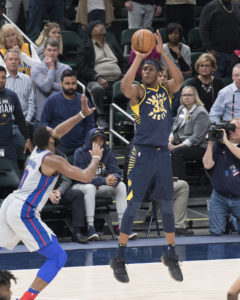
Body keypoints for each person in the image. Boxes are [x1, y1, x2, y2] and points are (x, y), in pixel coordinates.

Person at [0, 94, 103, 300]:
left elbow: (59, 130)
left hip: (12, 204)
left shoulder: (38, 150)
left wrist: (81, 114)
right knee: (58, 257)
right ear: (50, 140)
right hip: (24, 211)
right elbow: (85, 176)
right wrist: (95, 158)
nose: (55, 131)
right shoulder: (53, 160)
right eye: (51, 132)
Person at [109, 30, 184, 283]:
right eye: (145, 71)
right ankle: (119, 257)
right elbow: (123, 86)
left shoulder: (166, 92)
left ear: (158, 73)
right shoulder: (139, 92)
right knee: (133, 205)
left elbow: (181, 79)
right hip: (141, 153)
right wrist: (139, 59)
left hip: (163, 154)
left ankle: (171, 254)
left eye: (151, 70)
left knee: (167, 207)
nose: (146, 73)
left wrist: (163, 54)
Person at [72, 128, 136, 241]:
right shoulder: (80, 153)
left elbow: (116, 171)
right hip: (81, 187)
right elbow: (82, 178)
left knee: (121, 186)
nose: (98, 143)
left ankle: (123, 227)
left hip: (100, 187)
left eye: (101, 140)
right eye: (95, 140)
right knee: (90, 187)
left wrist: (114, 178)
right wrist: (104, 180)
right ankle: (90, 227)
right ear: (89, 141)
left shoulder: (108, 152)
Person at [76, 20, 128, 129]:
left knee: (133, 84)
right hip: (96, 80)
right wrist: (97, 78)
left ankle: (127, 115)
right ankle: (100, 116)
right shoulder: (86, 47)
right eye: (97, 26)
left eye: (102, 25)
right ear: (91, 33)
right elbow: (81, 67)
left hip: (117, 80)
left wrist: (124, 75)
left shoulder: (112, 45)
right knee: (96, 89)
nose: (101, 26)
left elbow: (123, 62)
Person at [40, 69, 95, 156]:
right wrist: (50, 144)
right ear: (61, 84)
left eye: (73, 83)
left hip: (80, 145)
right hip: (59, 146)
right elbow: (44, 123)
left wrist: (87, 142)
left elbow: (90, 124)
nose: (71, 86)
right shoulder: (51, 100)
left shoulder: (84, 100)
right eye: (67, 83)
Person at [203, 118, 240, 236]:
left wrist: (226, 142)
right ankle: (231, 220)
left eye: (239, 128)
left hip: (239, 198)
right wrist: (210, 143)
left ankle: (233, 221)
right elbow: (207, 165)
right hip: (219, 197)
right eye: (232, 127)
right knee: (216, 233)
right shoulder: (218, 146)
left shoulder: (225, 143)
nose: (235, 130)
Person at [169, 85, 211, 180]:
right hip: (183, 143)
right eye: (183, 95)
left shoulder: (200, 112)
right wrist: (169, 142)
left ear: (195, 96)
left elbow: (197, 138)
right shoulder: (181, 109)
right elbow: (175, 128)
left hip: (199, 146)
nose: (186, 97)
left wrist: (176, 146)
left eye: (189, 95)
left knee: (176, 152)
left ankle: (180, 184)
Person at [49, 149, 88, 244]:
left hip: (57, 192)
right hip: (40, 193)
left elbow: (67, 180)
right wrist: (47, 193)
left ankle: (77, 232)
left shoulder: (61, 155)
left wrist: (59, 191)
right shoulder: (35, 156)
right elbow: (32, 182)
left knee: (77, 194)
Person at [31, 38, 71, 123]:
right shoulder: (36, 69)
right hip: (43, 115)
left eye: (54, 50)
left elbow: (69, 88)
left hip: (62, 114)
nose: (52, 53)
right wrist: (51, 68)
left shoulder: (66, 68)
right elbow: (46, 88)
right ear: (44, 51)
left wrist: (48, 82)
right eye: (49, 50)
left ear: (58, 51)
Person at [0, 65, 33, 165]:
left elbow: (20, 119)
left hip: (8, 145)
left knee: (15, 175)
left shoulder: (12, 95)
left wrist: (27, 139)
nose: (1, 80)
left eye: (3, 77)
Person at [199, 0, 240, 78]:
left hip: (234, 54)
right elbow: (203, 29)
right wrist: (210, 49)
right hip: (217, 53)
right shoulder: (210, 7)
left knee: (232, 83)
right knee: (216, 82)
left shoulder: (237, 6)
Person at [4, 49, 35, 151]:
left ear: (20, 62)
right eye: (10, 59)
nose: (13, 62)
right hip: (7, 123)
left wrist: (27, 120)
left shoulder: (27, 79)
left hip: (26, 121)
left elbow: (31, 102)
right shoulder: (1, 81)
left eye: (16, 59)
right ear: (5, 62)